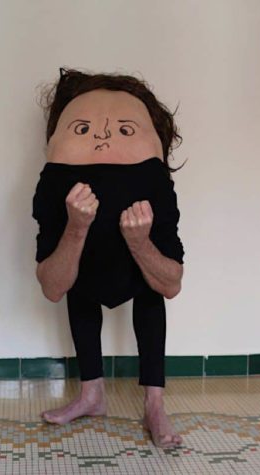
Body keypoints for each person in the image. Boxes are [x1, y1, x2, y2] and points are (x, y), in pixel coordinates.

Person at [32, 67, 187, 448]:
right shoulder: (52, 189)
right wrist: (76, 227)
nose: (102, 138)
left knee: (150, 290)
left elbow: (171, 284)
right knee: (77, 283)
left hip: (141, 273)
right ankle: (92, 395)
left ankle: (154, 404)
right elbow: (52, 287)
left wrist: (139, 242)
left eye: (124, 130)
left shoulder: (156, 188)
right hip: (82, 270)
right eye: (83, 129)